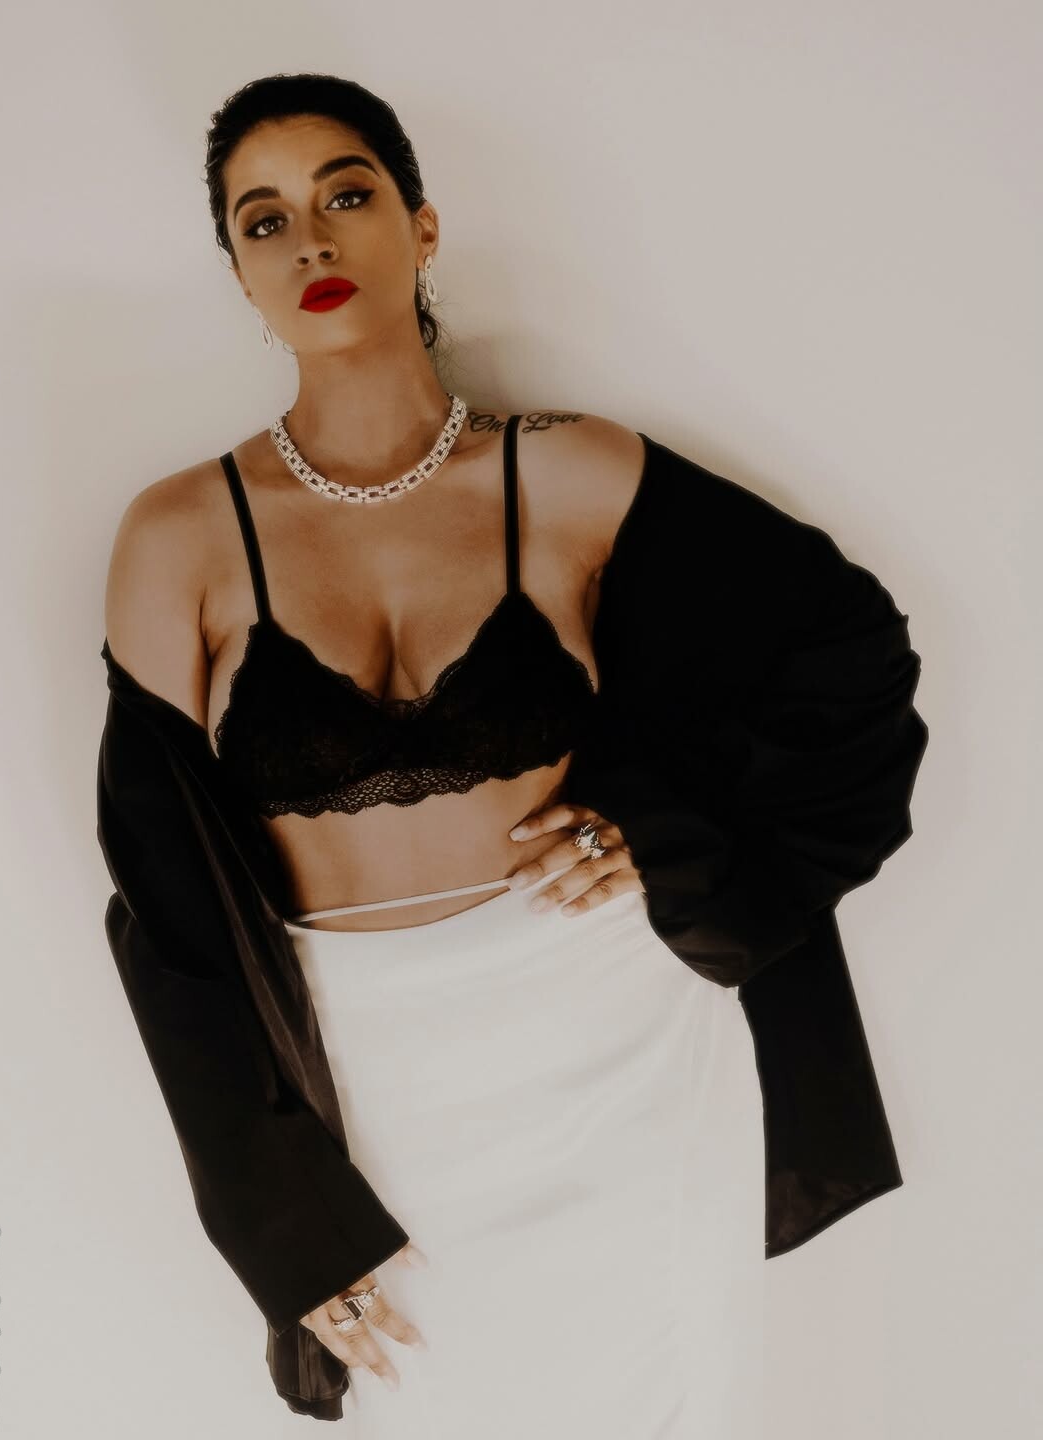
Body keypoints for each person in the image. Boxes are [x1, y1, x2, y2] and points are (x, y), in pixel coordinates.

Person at [98, 72, 927, 1433]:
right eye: (265, 220)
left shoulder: (574, 473)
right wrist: (272, 1207)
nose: (311, 241)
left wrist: (658, 828)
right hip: (374, 1064)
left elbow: (847, 658)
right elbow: (164, 903)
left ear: (422, 227)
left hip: (621, 1040)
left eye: (348, 194)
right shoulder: (178, 537)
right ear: (237, 273)